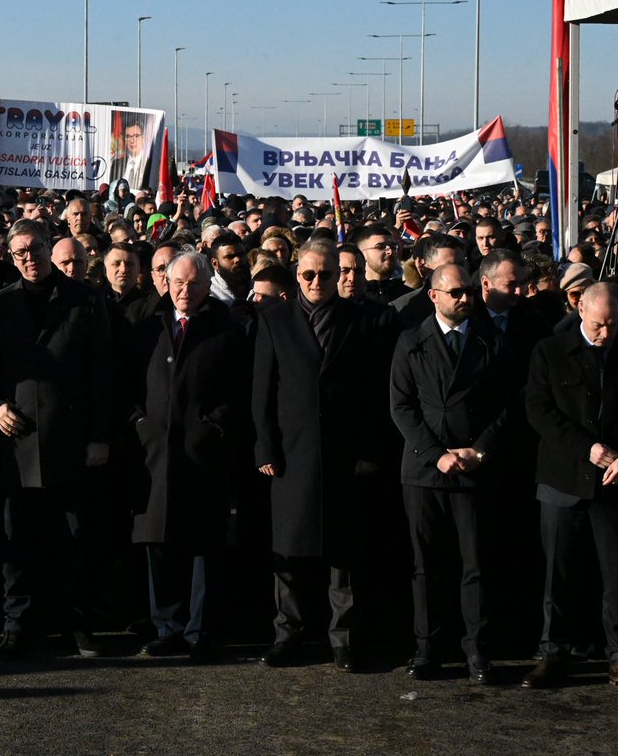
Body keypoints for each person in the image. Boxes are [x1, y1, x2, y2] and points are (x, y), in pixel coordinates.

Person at [0, 219, 113, 659]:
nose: (29, 259)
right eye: (19, 254)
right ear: (10, 258)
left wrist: (98, 437)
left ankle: (76, 623)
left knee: (73, 539)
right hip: (16, 447)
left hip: (70, 441)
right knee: (18, 541)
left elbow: (102, 375)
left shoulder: (85, 301)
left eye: (35, 250)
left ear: (49, 249)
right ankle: (18, 623)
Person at [252, 238, 386, 672]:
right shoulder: (274, 320)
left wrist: (368, 450)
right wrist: (265, 446)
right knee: (288, 555)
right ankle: (287, 635)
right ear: (296, 274)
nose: (315, 282)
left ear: (339, 276)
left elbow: (374, 394)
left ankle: (343, 640)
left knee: (342, 555)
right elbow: (263, 391)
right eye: (307, 274)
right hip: (291, 455)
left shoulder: (363, 321)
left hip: (344, 455)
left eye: (325, 274)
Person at [521, 282, 618, 696]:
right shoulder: (549, 351)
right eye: (599, 325)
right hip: (564, 478)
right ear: (580, 308)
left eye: (613, 325)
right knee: (559, 575)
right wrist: (588, 448)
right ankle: (554, 653)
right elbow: (539, 410)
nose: (605, 334)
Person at [389, 264, 512, 684]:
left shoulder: (491, 340)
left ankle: (477, 650)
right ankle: (427, 648)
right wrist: (435, 454)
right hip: (425, 470)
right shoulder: (410, 341)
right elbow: (401, 406)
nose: (465, 299)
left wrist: (480, 450)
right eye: (456, 292)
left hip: (474, 467)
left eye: (469, 292)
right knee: (425, 565)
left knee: (475, 563)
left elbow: (506, 405)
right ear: (434, 295)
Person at [129, 251, 249, 663]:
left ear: (206, 284)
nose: (184, 291)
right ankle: (168, 627)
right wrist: (141, 425)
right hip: (155, 454)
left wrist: (212, 426)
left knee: (203, 544)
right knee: (158, 542)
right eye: (177, 282)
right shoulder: (149, 327)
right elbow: (128, 387)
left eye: (193, 284)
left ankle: (201, 631)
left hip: (204, 455)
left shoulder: (226, 329)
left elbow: (241, 390)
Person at [110, 119, 153, 188]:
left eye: (136, 136)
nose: (132, 140)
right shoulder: (116, 164)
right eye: (128, 136)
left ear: (143, 138)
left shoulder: (150, 164)